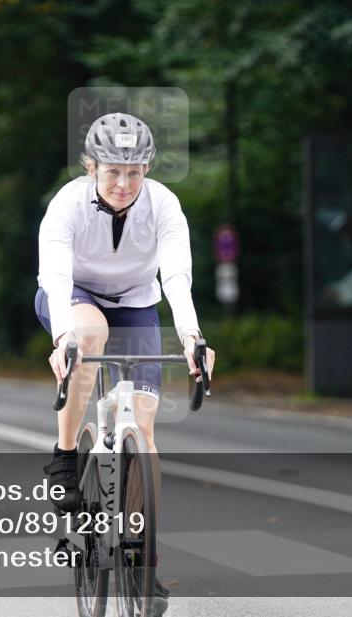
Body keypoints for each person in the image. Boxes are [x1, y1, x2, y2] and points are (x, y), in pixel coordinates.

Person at [36, 112, 215, 613]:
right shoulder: (67, 205)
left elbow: (177, 277)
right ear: (91, 166)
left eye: (135, 172)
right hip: (75, 296)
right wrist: (63, 338)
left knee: (145, 428)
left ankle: (146, 561)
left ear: (148, 170)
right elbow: (53, 273)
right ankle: (66, 458)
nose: (123, 183)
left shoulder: (163, 206)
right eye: (113, 170)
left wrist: (192, 338)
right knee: (90, 333)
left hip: (137, 301)